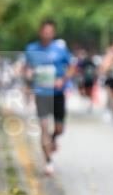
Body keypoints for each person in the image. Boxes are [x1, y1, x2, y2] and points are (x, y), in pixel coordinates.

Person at [24, 19, 76, 176]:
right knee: (44, 126)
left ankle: (54, 139)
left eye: (49, 31)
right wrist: (28, 76)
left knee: (59, 128)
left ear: (53, 33)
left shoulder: (61, 49)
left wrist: (63, 80)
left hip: (58, 93)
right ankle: (48, 161)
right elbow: (27, 69)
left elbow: (72, 67)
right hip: (41, 94)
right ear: (40, 31)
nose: (46, 33)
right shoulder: (31, 49)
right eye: (44, 30)